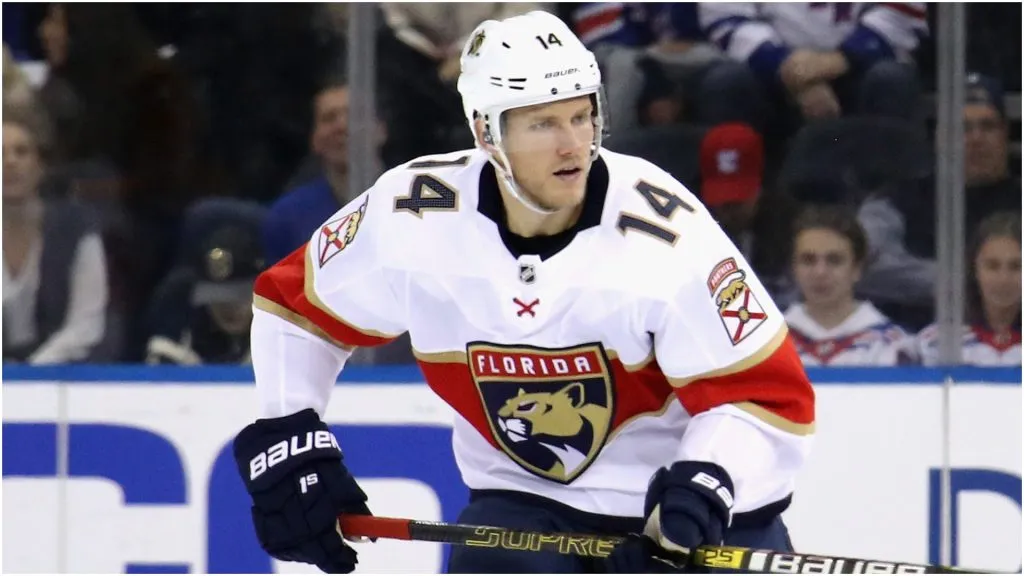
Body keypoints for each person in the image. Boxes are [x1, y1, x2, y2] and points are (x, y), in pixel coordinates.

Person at [231, 11, 815, 574]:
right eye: (543, 123)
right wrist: (290, 430)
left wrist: (703, 487)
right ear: (486, 131)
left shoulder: (666, 234)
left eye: (582, 116)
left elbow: (766, 399)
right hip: (530, 512)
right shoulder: (413, 215)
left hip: (693, 516)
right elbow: (295, 311)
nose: (573, 144)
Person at [784, 206, 915, 366]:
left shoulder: (893, 347)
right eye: (809, 260)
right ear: (793, 268)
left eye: (834, 260)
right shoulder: (765, 345)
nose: (820, 272)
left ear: (857, 269)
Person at [917, 212, 1021, 367]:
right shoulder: (936, 342)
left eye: (1016, 266)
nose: (1003, 279)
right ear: (974, 270)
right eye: (992, 266)